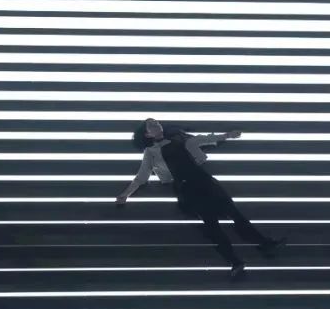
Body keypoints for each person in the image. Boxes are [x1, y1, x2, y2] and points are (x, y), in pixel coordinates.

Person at [116, 118, 285, 279]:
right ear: (147, 134)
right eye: (151, 125)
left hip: (204, 180)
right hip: (187, 188)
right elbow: (142, 176)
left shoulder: (179, 139)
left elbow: (203, 139)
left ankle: (264, 244)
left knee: (234, 213)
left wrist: (227, 135)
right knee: (212, 226)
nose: (156, 124)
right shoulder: (151, 152)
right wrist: (125, 194)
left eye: (156, 122)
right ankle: (235, 261)